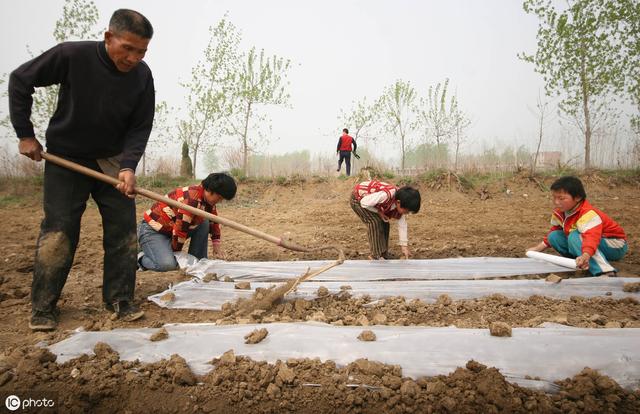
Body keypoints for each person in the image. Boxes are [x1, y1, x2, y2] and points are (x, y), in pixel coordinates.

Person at [8, 9, 155, 330]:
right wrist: (24, 134)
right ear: (108, 38)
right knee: (59, 232)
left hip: (112, 163)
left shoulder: (142, 77)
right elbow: (21, 80)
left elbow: (140, 127)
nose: (133, 58)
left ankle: (119, 299)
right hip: (67, 159)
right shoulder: (72, 56)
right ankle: (43, 306)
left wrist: (128, 166)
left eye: (141, 51)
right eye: (127, 48)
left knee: (123, 233)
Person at [527, 176, 627, 276]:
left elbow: (591, 237)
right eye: (554, 197)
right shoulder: (560, 212)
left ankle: (604, 270)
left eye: (561, 198)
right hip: (589, 242)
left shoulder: (588, 213)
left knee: (574, 236)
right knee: (554, 236)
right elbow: (555, 230)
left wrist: (586, 254)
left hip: (615, 245)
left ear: (578, 197)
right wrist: (537, 249)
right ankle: (578, 262)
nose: (556, 202)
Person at [138, 173, 237, 271]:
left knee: (204, 220)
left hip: (171, 230)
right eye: (219, 198)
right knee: (167, 264)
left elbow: (213, 219)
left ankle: (198, 262)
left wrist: (216, 244)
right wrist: (177, 255)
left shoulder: (207, 200)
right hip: (153, 231)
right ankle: (139, 259)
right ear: (210, 190)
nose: (219, 201)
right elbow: (180, 230)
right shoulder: (192, 200)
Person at [351, 179, 421, 260]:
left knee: (385, 223)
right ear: (398, 202)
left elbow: (402, 226)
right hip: (358, 199)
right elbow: (364, 202)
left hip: (372, 203)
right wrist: (379, 212)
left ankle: (383, 253)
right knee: (375, 222)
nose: (407, 213)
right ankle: (376, 255)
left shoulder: (402, 201)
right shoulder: (386, 196)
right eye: (407, 211)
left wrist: (404, 247)